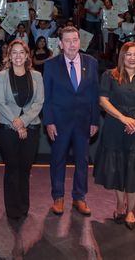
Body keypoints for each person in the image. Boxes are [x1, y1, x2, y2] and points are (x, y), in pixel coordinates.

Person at [93, 42, 135, 230]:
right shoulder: (110, 75)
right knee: (118, 168)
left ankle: (131, 210)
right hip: (115, 128)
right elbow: (102, 100)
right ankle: (120, 205)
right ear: (122, 56)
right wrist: (123, 118)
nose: (132, 58)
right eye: (128, 54)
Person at [42, 26, 100, 216]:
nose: (72, 44)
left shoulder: (91, 63)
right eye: (67, 41)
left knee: (82, 161)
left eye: (75, 40)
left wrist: (94, 121)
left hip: (84, 122)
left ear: (79, 41)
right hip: (59, 122)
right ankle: (58, 197)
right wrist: (49, 121)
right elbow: (47, 97)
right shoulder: (50, 65)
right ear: (60, 44)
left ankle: (79, 197)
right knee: (58, 159)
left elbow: (94, 94)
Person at [0, 40, 44, 220]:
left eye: (21, 52)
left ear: (27, 55)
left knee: (25, 169)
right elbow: (0, 102)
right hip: (7, 128)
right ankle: (12, 209)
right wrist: (17, 123)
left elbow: (38, 103)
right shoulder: (1, 76)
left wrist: (23, 121)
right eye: (13, 52)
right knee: (12, 169)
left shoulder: (37, 76)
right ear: (9, 55)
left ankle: (23, 207)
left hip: (31, 128)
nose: (17, 56)